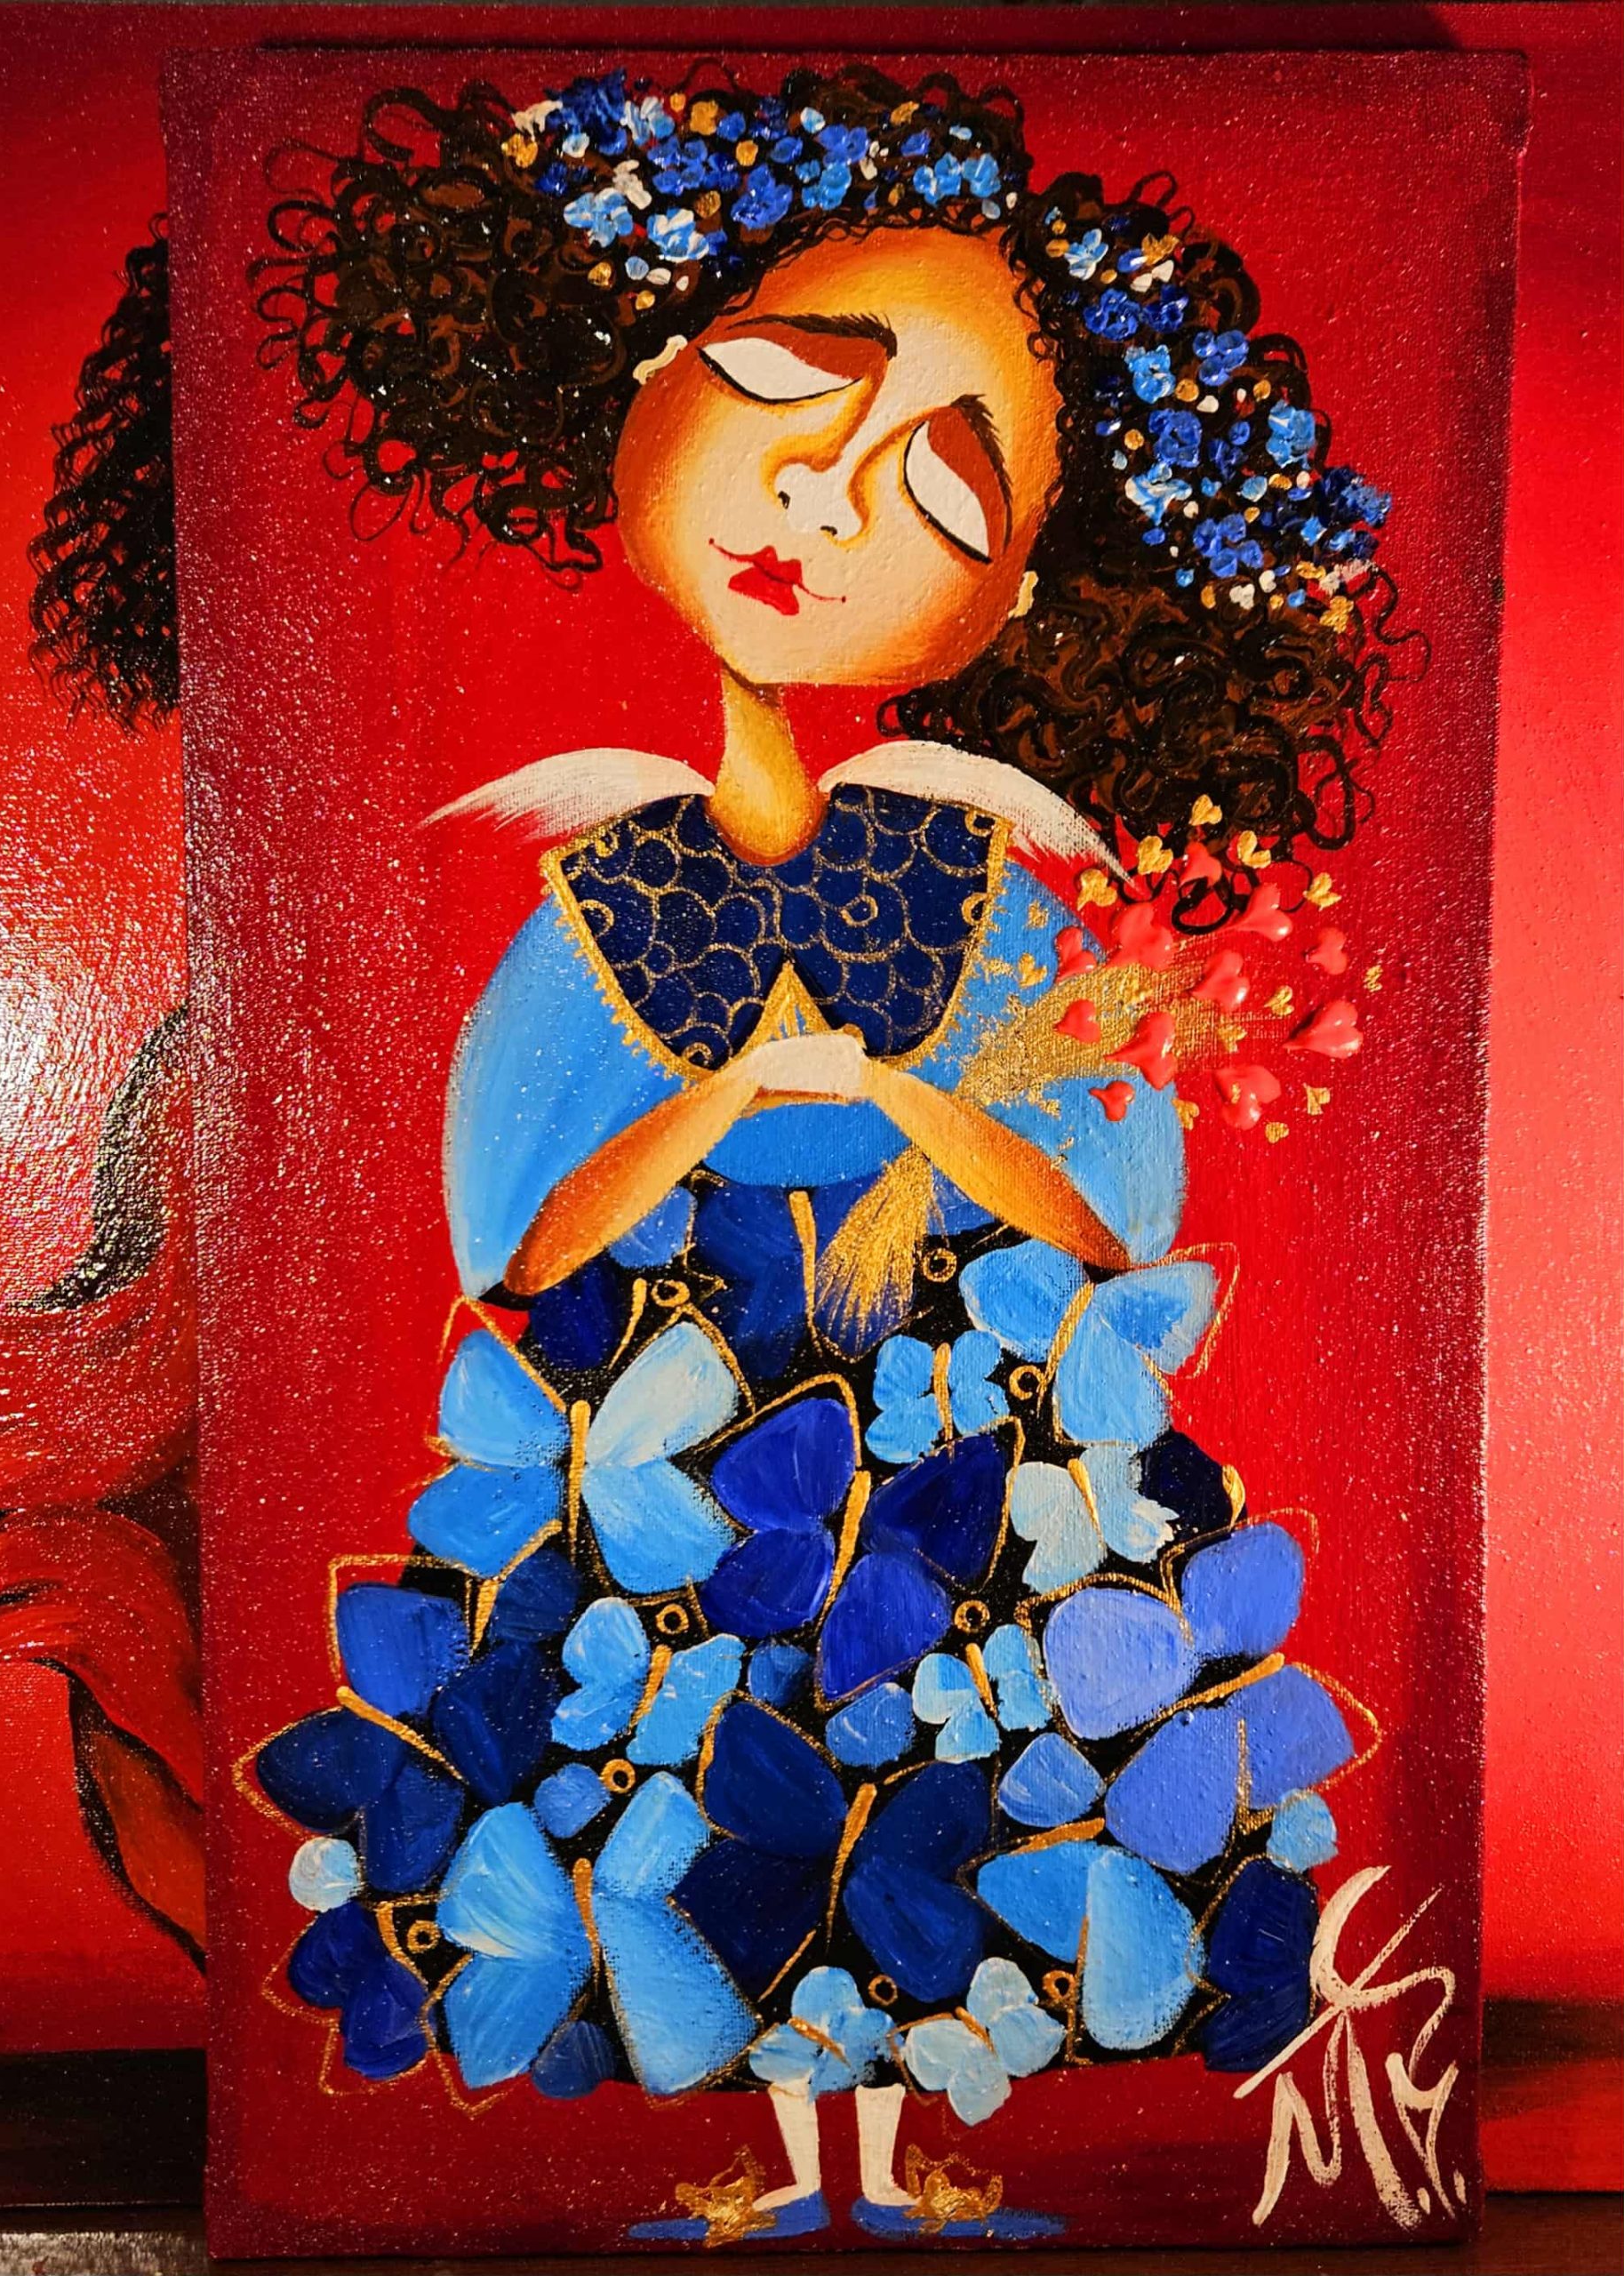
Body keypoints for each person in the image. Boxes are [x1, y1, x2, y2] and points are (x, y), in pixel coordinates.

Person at [109, 64, 1395, 2243]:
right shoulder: (588, 884)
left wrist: (906, 1103)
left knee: (938, 1789)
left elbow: (1115, 1223)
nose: (820, 490)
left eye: (941, 492)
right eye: (792, 384)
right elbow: (521, 1246)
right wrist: (712, 1104)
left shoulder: (999, 892)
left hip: (953, 1399)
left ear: (1016, 606)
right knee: (684, 1806)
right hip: (664, 1414)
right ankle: (753, 2155)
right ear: (639, 389)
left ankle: (904, 2161)